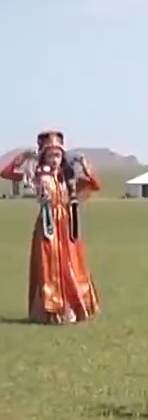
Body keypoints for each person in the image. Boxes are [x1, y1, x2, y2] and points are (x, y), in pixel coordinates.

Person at [0, 131, 102, 324]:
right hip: (48, 226)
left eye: (58, 155)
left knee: (70, 265)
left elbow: (95, 185)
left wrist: (85, 167)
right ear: (43, 157)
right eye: (50, 155)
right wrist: (23, 157)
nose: (55, 160)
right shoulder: (37, 176)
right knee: (49, 266)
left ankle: (71, 309)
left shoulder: (68, 178)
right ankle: (50, 311)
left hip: (67, 226)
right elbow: (6, 173)